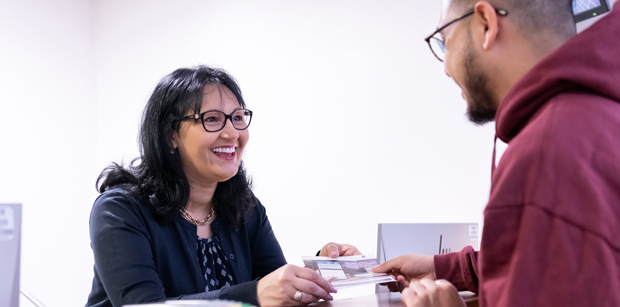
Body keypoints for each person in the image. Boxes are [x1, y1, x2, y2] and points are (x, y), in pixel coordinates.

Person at [373, 0, 620, 306]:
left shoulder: (545, 153)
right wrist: (443, 268)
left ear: (486, 24)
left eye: (444, 41)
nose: (447, 69)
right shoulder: (596, 118)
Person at [86, 65, 360, 307]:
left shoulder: (246, 208)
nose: (232, 133)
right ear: (171, 135)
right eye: (212, 119)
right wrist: (254, 294)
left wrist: (317, 274)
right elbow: (144, 306)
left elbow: (274, 288)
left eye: (238, 117)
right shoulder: (119, 210)